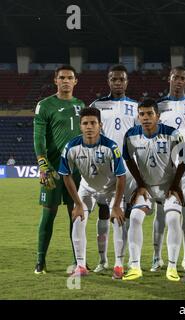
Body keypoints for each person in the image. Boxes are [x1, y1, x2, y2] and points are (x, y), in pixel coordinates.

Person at [121, 99, 185, 281]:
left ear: (158, 116)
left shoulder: (172, 134)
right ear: (138, 116)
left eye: (150, 114)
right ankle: (135, 266)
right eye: (142, 114)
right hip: (146, 187)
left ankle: (172, 267)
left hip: (168, 186)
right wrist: (140, 184)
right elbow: (128, 159)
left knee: (173, 219)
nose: (146, 117)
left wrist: (175, 185)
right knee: (134, 218)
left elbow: (184, 159)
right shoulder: (131, 136)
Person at [58, 107, 126, 278]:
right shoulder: (70, 147)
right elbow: (66, 176)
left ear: (100, 125)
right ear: (80, 126)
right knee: (78, 220)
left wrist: (117, 206)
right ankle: (81, 266)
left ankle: (118, 265)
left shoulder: (111, 147)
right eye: (85, 123)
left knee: (118, 220)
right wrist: (78, 204)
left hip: (110, 189)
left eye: (93, 123)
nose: (89, 127)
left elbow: (121, 177)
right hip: (87, 189)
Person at [33, 65, 85, 274]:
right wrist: (43, 165)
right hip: (54, 170)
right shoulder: (45, 105)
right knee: (48, 215)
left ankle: (78, 261)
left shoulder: (81, 105)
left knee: (76, 216)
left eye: (69, 77)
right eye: (62, 77)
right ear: (55, 80)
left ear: (75, 81)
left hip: (77, 170)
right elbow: (38, 137)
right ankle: (40, 261)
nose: (65, 81)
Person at [152, 66, 185, 272]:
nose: (179, 81)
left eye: (183, 78)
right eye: (176, 77)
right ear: (169, 79)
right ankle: (157, 257)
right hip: (164, 167)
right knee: (161, 213)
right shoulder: (159, 106)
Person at [89, 64, 138, 278]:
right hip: (102, 166)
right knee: (103, 211)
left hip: (127, 166)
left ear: (127, 82)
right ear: (108, 81)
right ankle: (103, 260)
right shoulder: (97, 105)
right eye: (113, 79)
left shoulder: (136, 107)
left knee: (123, 213)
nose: (117, 83)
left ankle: (121, 260)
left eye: (121, 79)